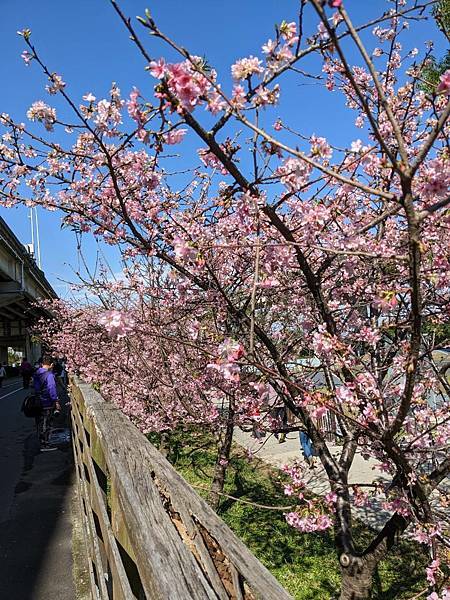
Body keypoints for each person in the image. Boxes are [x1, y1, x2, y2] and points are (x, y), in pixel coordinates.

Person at [33, 355, 61, 452]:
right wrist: (56, 401)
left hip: (37, 401)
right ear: (51, 364)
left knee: (39, 423)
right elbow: (52, 389)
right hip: (47, 402)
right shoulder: (49, 375)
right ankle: (45, 444)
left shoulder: (37, 373)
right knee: (47, 423)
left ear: (42, 363)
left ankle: (41, 442)